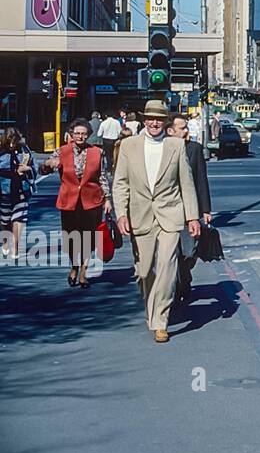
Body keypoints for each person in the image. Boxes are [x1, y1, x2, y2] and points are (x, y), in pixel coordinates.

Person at [111, 100, 201, 343]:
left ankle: (161, 321)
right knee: (143, 271)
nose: (154, 123)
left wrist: (192, 216)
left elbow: (187, 183)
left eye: (159, 119)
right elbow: (120, 183)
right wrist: (121, 214)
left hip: (170, 215)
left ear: (165, 122)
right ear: (143, 120)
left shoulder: (176, 145)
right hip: (140, 216)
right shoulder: (129, 145)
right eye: (150, 118)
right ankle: (152, 308)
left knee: (167, 267)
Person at [40, 118, 113, 288]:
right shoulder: (62, 151)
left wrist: (107, 199)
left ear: (88, 135)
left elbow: (102, 176)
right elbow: (44, 168)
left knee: (88, 237)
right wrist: (48, 164)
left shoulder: (97, 152)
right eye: (77, 133)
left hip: (91, 200)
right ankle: (74, 266)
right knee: (71, 237)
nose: (80, 136)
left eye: (83, 134)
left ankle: (83, 271)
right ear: (71, 134)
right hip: (69, 200)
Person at [168, 115, 213, 304]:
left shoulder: (194, 149)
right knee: (172, 253)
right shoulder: (163, 148)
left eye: (186, 127)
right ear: (170, 131)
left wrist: (206, 209)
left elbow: (201, 180)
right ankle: (178, 285)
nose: (186, 131)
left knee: (190, 252)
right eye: (182, 128)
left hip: (190, 210)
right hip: (168, 210)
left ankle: (185, 275)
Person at [0, 128, 35, 260]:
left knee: (19, 218)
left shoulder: (24, 150)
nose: (11, 145)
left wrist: (28, 169)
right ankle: (5, 242)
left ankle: (15, 246)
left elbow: (33, 166)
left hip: (22, 189)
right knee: (5, 220)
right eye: (9, 141)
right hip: (4, 191)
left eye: (14, 142)